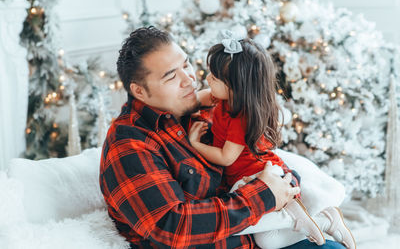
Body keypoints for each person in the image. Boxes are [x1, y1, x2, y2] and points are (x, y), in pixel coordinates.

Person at [99, 26, 346, 249]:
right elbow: (173, 227)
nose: (190, 79)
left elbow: (254, 154)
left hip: (265, 229)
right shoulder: (130, 145)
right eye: (171, 76)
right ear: (140, 91)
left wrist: (283, 182)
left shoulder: (201, 110)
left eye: (186, 65)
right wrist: (265, 194)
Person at [188, 31, 356, 249]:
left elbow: (226, 157)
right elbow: (195, 99)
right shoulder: (224, 98)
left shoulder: (240, 116)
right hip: (259, 174)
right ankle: (318, 219)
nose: (207, 79)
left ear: (235, 87)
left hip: (255, 178)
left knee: (265, 240)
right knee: (270, 239)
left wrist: (196, 144)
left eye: (215, 77)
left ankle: (323, 221)